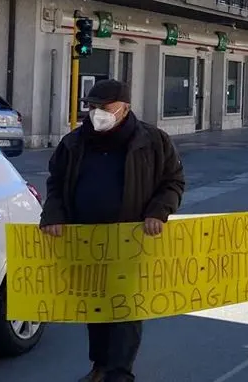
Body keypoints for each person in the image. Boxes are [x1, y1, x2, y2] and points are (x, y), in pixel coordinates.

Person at [38, 79, 185, 382]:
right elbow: (56, 183)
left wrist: (158, 212)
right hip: (86, 241)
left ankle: (119, 373)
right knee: (96, 307)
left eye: (104, 107)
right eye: (92, 106)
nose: (97, 113)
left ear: (124, 108)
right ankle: (100, 366)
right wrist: (53, 215)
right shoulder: (73, 143)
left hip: (131, 242)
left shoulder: (153, 141)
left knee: (125, 308)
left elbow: (173, 181)